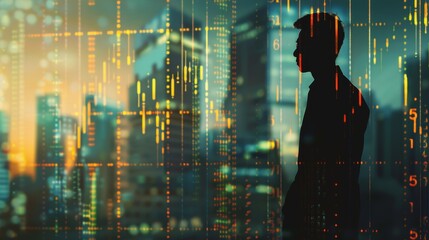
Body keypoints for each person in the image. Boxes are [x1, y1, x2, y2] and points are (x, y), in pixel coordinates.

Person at [282, 13, 370, 239]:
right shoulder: (338, 93)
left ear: (317, 47)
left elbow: (324, 170)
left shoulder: (333, 95)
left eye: (301, 45)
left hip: (322, 220)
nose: (295, 53)